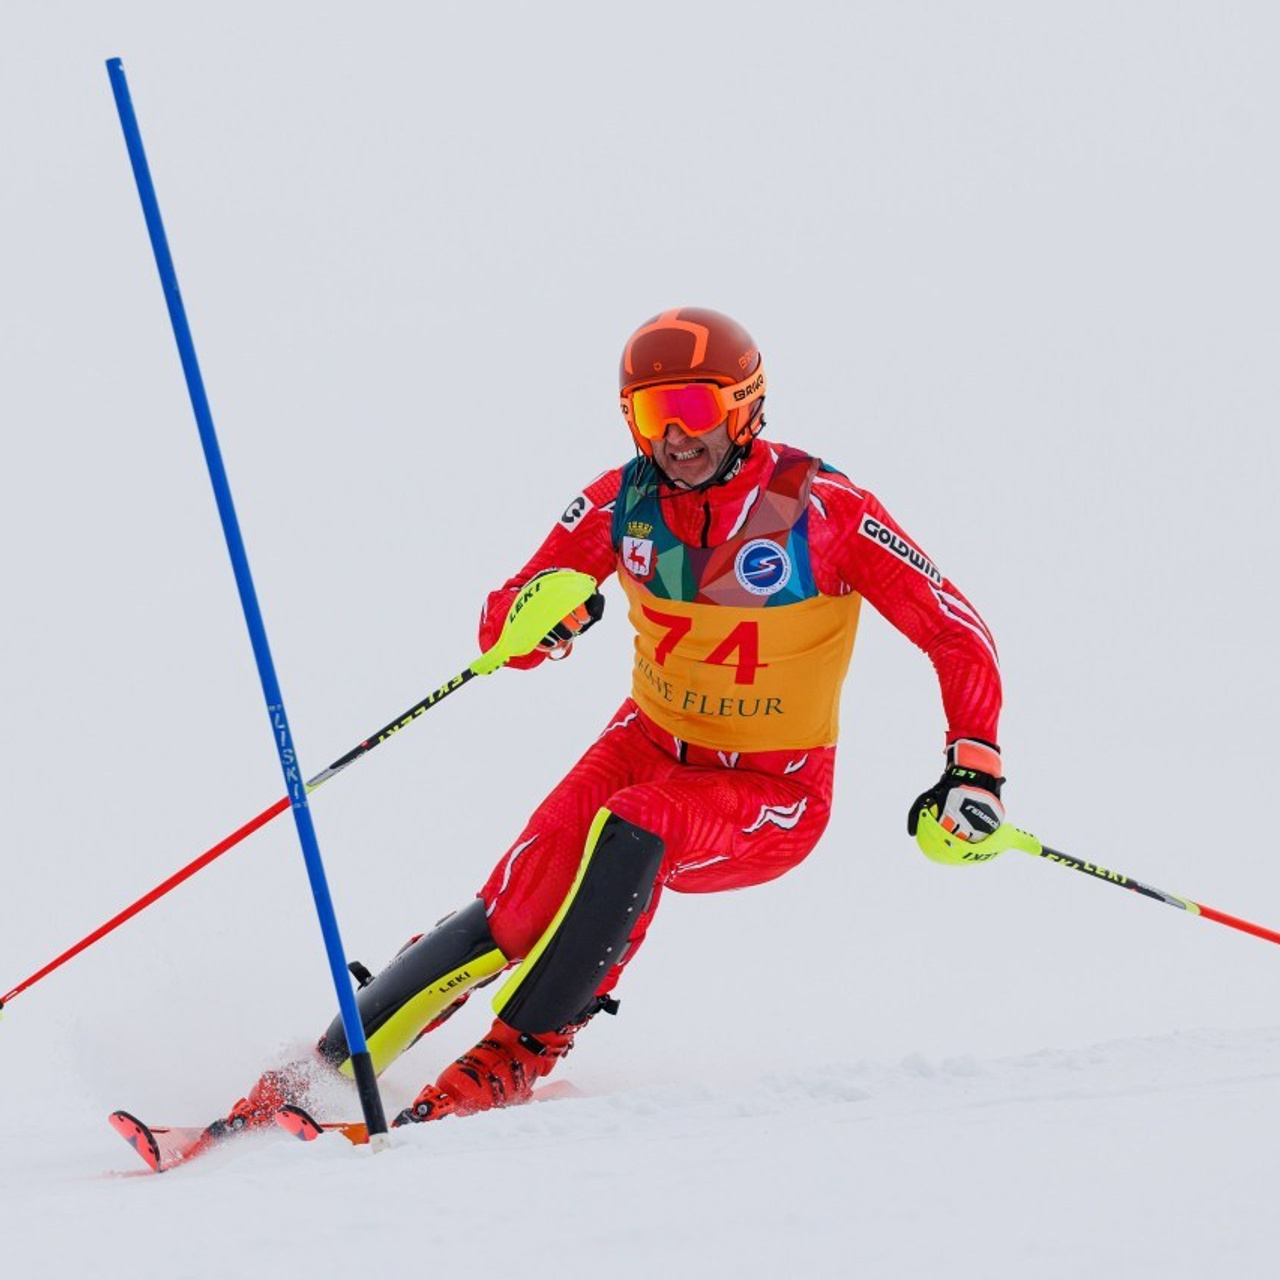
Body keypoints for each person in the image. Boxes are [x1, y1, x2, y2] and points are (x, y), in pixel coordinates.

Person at [224, 306, 1006, 1130]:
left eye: (696, 409)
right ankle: (324, 1070)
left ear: (745, 405)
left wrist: (974, 765)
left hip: (772, 789)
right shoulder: (621, 502)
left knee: (639, 821)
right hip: (646, 741)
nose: (674, 435)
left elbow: (957, 633)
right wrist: (542, 620)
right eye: (650, 412)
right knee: (518, 901)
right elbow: (502, 630)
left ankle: (514, 1054)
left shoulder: (820, 510)